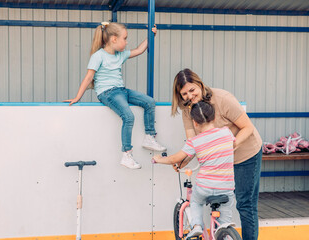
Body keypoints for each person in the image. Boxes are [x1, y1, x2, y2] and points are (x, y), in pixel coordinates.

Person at [171, 68, 262, 240]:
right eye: (184, 94)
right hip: (222, 160)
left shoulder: (222, 99)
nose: (189, 96)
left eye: (192, 90)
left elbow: (248, 127)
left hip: (246, 153)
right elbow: (193, 143)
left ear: (200, 84)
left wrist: (230, 145)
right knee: (222, 203)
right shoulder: (187, 111)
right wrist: (183, 160)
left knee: (245, 204)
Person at [64, 22, 166, 169]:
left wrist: (152, 36)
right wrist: (77, 97)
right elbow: (88, 77)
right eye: (124, 38)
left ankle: (149, 137)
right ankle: (126, 154)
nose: (126, 42)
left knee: (149, 102)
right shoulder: (98, 56)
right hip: (107, 93)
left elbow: (139, 50)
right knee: (129, 116)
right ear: (113, 39)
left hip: (121, 90)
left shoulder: (120, 55)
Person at [152, 101, 236, 238]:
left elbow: (175, 158)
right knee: (224, 218)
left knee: (196, 202)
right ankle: (225, 233)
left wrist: (158, 159)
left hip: (205, 187)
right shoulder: (226, 133)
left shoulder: (195, 141)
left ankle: (197, 225)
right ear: (214, 118)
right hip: (226, 187)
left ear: (195, 123)